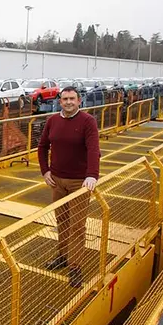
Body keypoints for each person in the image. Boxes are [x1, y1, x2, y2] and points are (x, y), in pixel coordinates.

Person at [37, 86, 100, 288]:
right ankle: (63, 257)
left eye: (72, 99)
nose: (68, 102)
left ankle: (75, 267)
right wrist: (45, 171)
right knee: (62, 221)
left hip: (78, 183)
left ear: (79, 101)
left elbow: (93, 149)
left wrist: (92, 175)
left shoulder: (87, 122)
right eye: (65, 99)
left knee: (76, 226)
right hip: (57, 180)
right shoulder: (52, 121)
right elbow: (42, 146)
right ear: (60, 101)